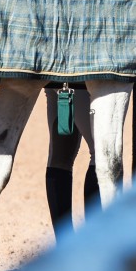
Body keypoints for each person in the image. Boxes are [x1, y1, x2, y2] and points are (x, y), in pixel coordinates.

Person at [43, 87, 99, 237]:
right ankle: (95, 243)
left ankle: (64, 246)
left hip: (53, 78)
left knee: (59, 159)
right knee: (100, 153)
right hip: (77, 78)